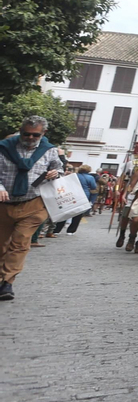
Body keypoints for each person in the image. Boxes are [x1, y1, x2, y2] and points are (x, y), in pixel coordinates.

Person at [0, 117, 65, 301]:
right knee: (1, 245)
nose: (30, 137)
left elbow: (59, 168)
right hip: (3, 205)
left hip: (33, 204)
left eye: (35, 134)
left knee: (20, 243)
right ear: (20, 131)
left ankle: (7, 281)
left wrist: (56, 173)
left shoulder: (49, 150)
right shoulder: (4, 148)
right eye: (26, 133)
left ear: (42, 133)